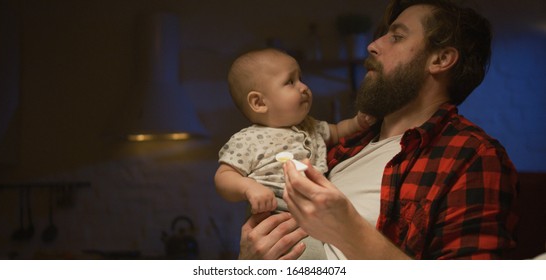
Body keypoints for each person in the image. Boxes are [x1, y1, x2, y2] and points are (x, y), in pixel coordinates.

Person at [238, 0, 519, 260]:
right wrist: (250, 262)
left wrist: (350, 231)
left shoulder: (472, 156)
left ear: (440, 59)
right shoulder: (342, 147)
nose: (372, 45)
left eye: (396, 37)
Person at [214, 48, 374, 259]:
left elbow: (336, 132)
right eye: (290, 82)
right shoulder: (248, 140)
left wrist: (356, 123)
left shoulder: (311, 126)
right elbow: (224, 177)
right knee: (308, 256)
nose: (304, 87)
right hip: (277, 210)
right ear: (259, 103)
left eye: (301, 78)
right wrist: (249, 188)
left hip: (314, 209)